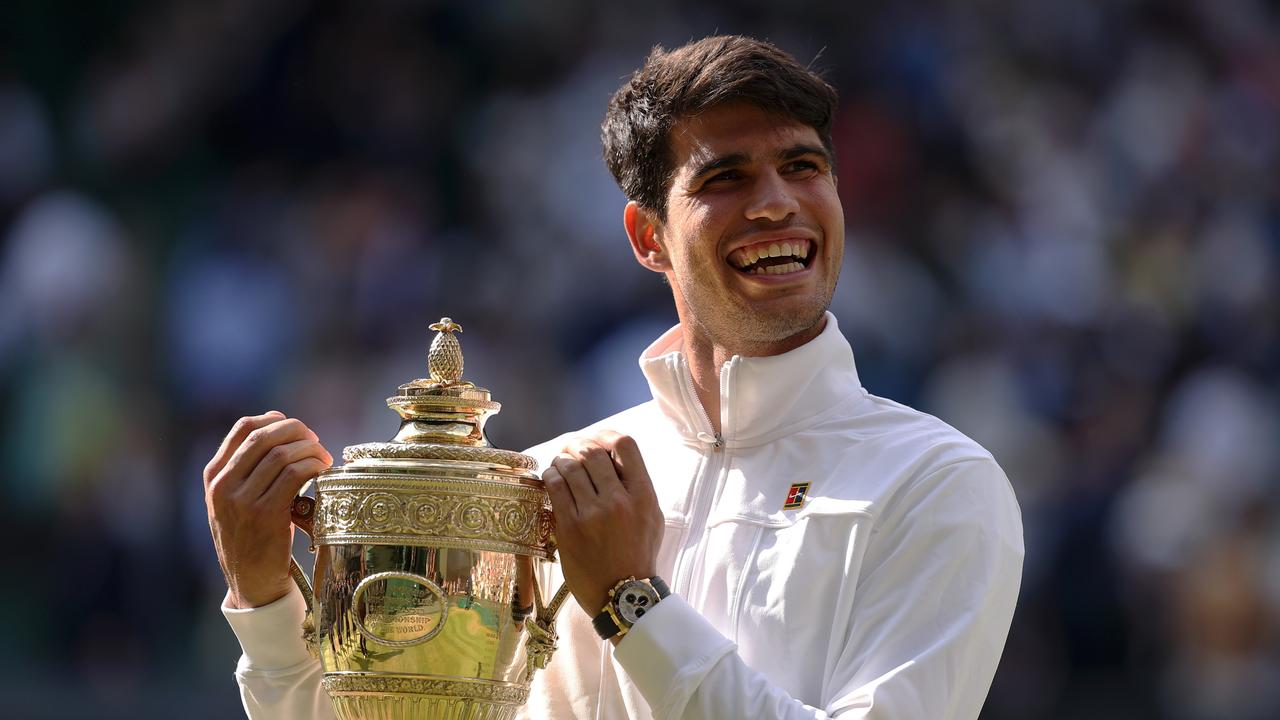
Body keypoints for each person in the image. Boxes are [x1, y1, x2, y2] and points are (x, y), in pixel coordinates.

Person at [206, 35, 1024, 719]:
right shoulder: (550, 484)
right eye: (725, 178)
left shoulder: (935, 481)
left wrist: (634, 604)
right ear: (648, 237)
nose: (778, 203)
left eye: (803, 167)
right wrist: (266, 599)